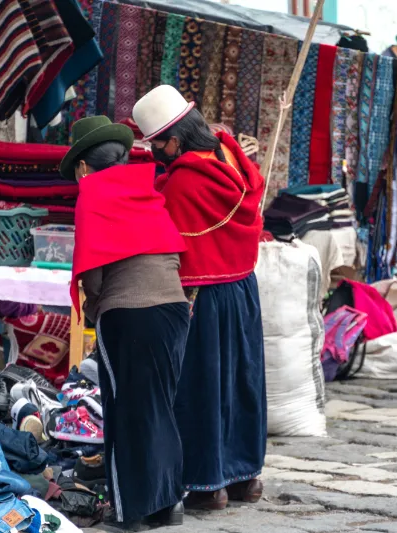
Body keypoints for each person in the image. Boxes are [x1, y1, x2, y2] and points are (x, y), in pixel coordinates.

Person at [132, 86, 267, 511]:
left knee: (202, 386)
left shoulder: (186, 183)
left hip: (202, 294)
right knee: (241, 381)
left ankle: (209, 485)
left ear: (174, 140)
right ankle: (247, 477)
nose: (156, 154)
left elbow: (168, 236)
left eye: (156, 145)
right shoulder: (230, 154)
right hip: (242, 287)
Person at [63, 116, 190, 531]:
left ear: (83, 167)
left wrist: (96, 308)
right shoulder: (144, 188)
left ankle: (131, 511)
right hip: (173, 309)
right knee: (159, 408)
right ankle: (167, 504)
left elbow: (95, 275)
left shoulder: (92, 194)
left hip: (129, 314)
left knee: (125, 413)